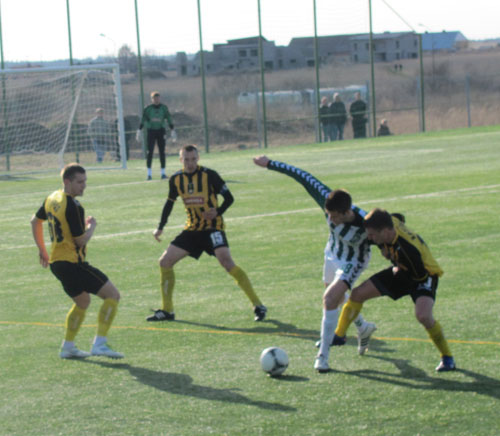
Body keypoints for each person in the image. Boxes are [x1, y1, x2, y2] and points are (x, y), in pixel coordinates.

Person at [253, 156, 376, 373]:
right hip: (332, 253)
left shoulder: (366, 223)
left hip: (354, 261)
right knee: (335, 298)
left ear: (348, 213)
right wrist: (270, 164)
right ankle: (363, 327)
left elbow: (392, 235)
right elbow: (303, 176)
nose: (332, 220)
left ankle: (323, 357)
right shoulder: (327, 199)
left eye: (335, 217)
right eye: (329, 216)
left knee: (329, 299)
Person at [147, 144, 267, 322]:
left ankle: (258, 305)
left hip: (212, 228)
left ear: (198, 158)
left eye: (193, 159)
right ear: (181, 160)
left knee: (227, 263)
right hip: (192, 230)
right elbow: (170, 202)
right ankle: (167, 310)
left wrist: (217, 212)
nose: (190, 163)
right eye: (186, 160)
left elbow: (229, 198)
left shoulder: (210, 175)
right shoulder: (176, 179)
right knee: (165, 261)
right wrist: (160, 226)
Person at [333, 208, 456, 372]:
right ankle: (339, 336)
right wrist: (385, 248)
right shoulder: (389, 223)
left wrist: (392, 258)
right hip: (401, 268)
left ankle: (447, 358)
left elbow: (417, 276)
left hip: (424, 275)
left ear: (385, 231)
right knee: (357, 294)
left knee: (423, 316)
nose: (369, 238)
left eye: (372, 235)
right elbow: (399, 217)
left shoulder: (408, 250)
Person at [30, 163, 123, 359]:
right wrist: (92, 227)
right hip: (72, 263)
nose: (84, 186)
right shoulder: (73, 206)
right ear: (67, 181)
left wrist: (42, 251)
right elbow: (80, 241)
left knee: (82, 301)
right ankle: (100, 344)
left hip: (57, 264)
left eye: (85, 181)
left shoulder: (52, 198)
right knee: (113, 295)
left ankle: (68, 347)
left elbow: (34, 221)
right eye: (80, 182)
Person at [137, 91, 175, 180]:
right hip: (151, 131)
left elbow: (169, 118)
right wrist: (139, 129)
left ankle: (163, 173)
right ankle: (149, 174)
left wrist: (172, 129)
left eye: (157, 98)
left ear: (159, 98)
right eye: (154, 98)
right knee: (150, 152)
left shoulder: (164, 108)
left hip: (161, 131)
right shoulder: (148, 109)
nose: (156, 99)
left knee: (162, 152)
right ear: (152, 99)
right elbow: (143, 119)